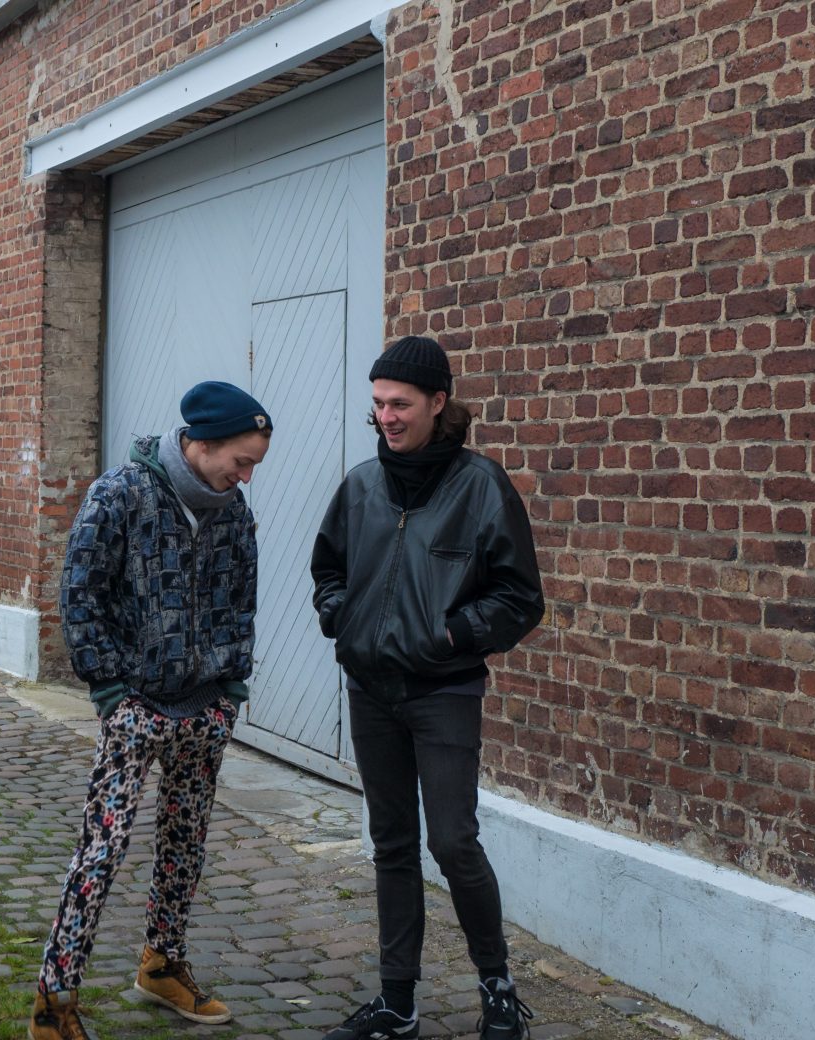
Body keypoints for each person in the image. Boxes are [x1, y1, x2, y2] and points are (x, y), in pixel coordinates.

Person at [310, 336, 544, 1040]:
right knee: (391, 843)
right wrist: (339, 617)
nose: (386, 416)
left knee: (452, 840)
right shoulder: (359, 485)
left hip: (444, 693)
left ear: (438, 404)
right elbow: (329, 570)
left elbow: (519, 598)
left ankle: (498, 988)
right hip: (370, 689)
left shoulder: (480, 487)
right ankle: (398, 1001)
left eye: (400, 404)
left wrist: (448, 636)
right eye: (378, 403)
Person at [30, 381, 273, 1040]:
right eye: (240, 460)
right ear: (201, 442)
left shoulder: (232, 511)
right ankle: (54, 1004)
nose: (245, 475)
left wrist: (229, 693)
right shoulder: (120, 495)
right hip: (135, 708)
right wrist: (113, 694)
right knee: (102, 850)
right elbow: (79, 597)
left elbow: (241, 602)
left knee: (184, 844)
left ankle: (162, 963)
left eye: (253, 464)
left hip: (205, 708)